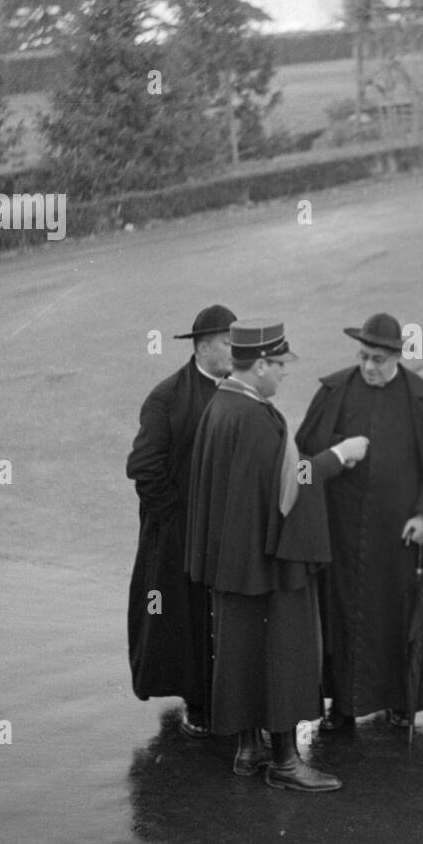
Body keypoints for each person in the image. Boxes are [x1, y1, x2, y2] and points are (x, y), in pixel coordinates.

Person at [185, 319, 368, 791]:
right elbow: (292, 486)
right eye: (280, 365)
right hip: (269, 560)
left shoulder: (220, 405)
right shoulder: (256, 418)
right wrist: (338, 456)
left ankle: (249, 749)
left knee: (243, 650)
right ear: (260, 364)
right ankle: (286, 763)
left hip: (232, 562)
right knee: (283, 652)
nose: (284, 374)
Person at [295, 313, 423, 731]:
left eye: (379, 359)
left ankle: (399, 700)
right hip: (340, 534)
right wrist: (339, 448)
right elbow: (303, 454)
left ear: (398, 358)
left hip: (396, 539)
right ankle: (342, 706)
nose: (369, 366)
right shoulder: (334, 391)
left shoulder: (422, 400)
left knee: (393, 619)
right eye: (364, 356)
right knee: (340, 618)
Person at [127, 304, 236, 738]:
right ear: (204, 346)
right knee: (184, 619)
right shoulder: (167, 396)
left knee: (222, 616)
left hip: (226, 530)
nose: (235, 351)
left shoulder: (237, 389)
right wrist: (175, 520)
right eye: (229, 343)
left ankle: (226, 696)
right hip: (178, 534)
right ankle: (198, 702)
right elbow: (144, 466)